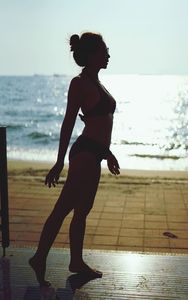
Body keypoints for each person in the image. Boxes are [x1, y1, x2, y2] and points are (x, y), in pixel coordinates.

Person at [29, 32, 120, 286]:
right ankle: (39, 257)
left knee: (82, 211)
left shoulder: (97, 83)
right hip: (84, 155)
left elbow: (99, 126)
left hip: (95, 154)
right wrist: (59, 162)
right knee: (63, 208)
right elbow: (69, 121)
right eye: (104, 50)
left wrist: (108, 153)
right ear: (91, 55)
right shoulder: (79, 83)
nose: (108, 55)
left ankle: (76, 261)